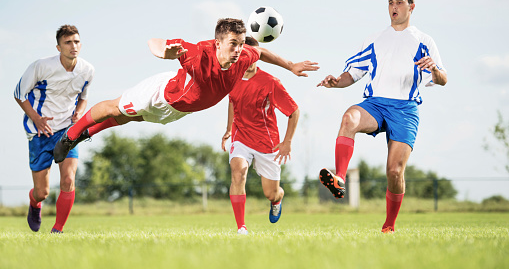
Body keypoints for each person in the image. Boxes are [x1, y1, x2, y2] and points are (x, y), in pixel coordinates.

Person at [53, 18, 318, 165]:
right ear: (218, 43)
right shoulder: (197, 53)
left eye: (240, 44)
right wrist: (163, 52)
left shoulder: (244, 56)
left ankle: (83, 135)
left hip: (179, 110)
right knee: (114, 108)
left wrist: (290, 65)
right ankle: (71, 136)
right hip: (161, 93)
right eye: (233, 44)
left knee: (126, 119)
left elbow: (260, 51)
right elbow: (155, 42)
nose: (238, 50)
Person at [317, 0, 447, 234]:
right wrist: (336, 81)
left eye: (399, 2)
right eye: (390, 3)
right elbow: (353, 74)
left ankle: (389, 226)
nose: (394, 7)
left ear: (411, 7)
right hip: (375, 104)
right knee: (349, 118)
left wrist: (436, 69)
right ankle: (340, 179)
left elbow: (442, 79)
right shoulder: (375, 39)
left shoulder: (424, 41)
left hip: (405, 110)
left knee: (394, 171)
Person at [14, 25, 95, 233]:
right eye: (68, 42)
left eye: (76, 42)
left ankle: (57, 230)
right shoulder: (41, 66)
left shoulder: (87, 70)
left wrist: (78, 113)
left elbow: (83, 98)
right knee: (43, 192)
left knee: (68, 179)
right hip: (40, 131)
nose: (73, 46)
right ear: (58, 47)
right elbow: (18, 93)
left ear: (81, 44)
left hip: (67, 130)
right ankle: (35, 203)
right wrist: (37, 119)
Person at [221, 37, 300, 235]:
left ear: (257, 56)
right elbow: (232, 101)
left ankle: (278, 199)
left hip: (267, 143)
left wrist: (287, 142)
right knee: (237, 171)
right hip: (241, 137)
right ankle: (241, 227)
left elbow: (294, 111)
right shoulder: (231, 77)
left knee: (270, 193)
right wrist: (229, 129)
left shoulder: (270, 82)